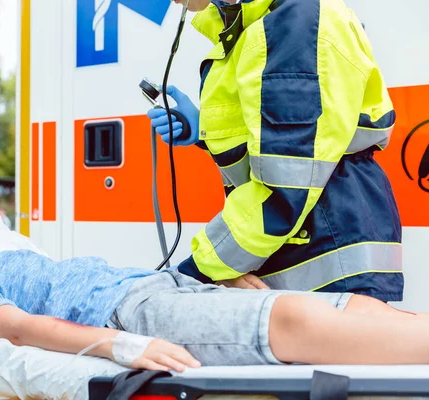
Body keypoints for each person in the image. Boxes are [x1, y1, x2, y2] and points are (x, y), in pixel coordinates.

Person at [0, 200, 429, 372]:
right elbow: (15, 329)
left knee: (355, 307)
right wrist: (120, 346)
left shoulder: (15, 252)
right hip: (126, 311)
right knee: (291, 323)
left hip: (160, 284)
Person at [147, 0, 403, 300]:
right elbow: (281, 136)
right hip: (284, 244)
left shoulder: (295, 21)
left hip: (329, 252)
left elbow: (286, 182)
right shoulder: (248, 25)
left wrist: (200, 270)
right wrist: (202, 128)